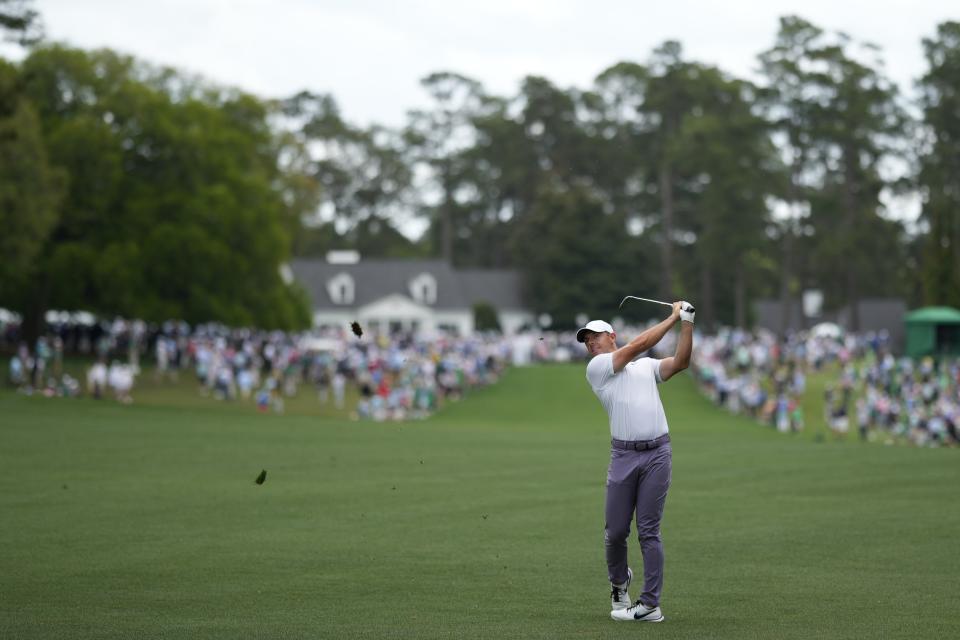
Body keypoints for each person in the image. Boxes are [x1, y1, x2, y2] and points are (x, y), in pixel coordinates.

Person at [577, 301, 694, 623]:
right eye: (586, 340)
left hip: (658, 453)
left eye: (594, 336)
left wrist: (687, 323)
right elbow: (641, 344)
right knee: (615, 532)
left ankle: (650, 604)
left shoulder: (645, 368)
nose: (590, 343)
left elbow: (681, 362)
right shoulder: (598, 368)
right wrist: (672, 316)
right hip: (623, 455)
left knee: (649, 531)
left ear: (611, 335)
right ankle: (619, 583)